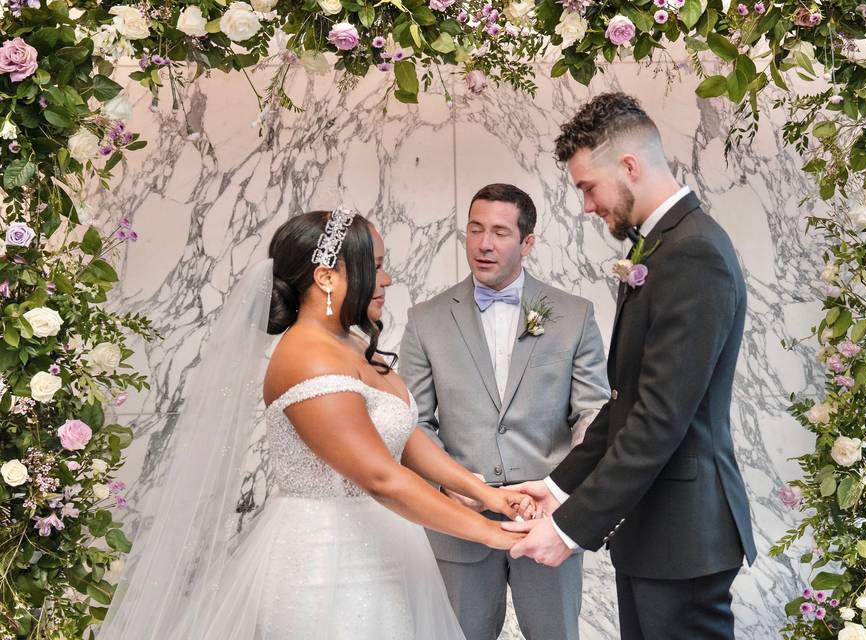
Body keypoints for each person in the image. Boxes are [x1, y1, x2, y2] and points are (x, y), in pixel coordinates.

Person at [100, 209, 535, 640]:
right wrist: (492, 535)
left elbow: (402, 436)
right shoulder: (307, 357)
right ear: (327, 278)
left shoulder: (351, 341)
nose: (386, 280)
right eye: (376, 267)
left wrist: (487, 495)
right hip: (326, 567)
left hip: (388, 548)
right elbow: (381, 476)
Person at [505, 93, 757, 640]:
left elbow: (659, 420)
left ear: (629, 166)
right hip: (655, 533)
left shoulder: (693, 252)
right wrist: (557, 487)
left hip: (685, 537)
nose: (587, 206)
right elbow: (628, 404)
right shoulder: (662, 247)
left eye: (587, 187)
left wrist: (569, 530)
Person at [400, 184, 609, 640]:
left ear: (528, 243)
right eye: (475, 229)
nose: (484, 244)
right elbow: (414, 421)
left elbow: (593, 415)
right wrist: (452, 485)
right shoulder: (425, 320)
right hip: (459, 523)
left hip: (547, 522)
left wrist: (562, 491)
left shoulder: (574, 315)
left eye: (499, 232)